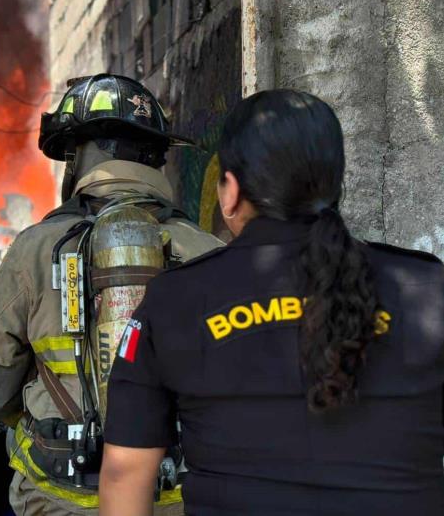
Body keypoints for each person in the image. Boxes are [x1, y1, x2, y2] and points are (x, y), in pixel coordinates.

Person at [100, 89, 444, 516]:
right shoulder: (430, 289)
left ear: (230, 191)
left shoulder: (174, 301)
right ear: (335, 185)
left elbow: (124, 475)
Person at [0, 74, 222, 515]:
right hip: (179, 496)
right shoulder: (208, 252)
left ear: (79, 156)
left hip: (60, 497)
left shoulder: (36, 248)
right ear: (156, 156)